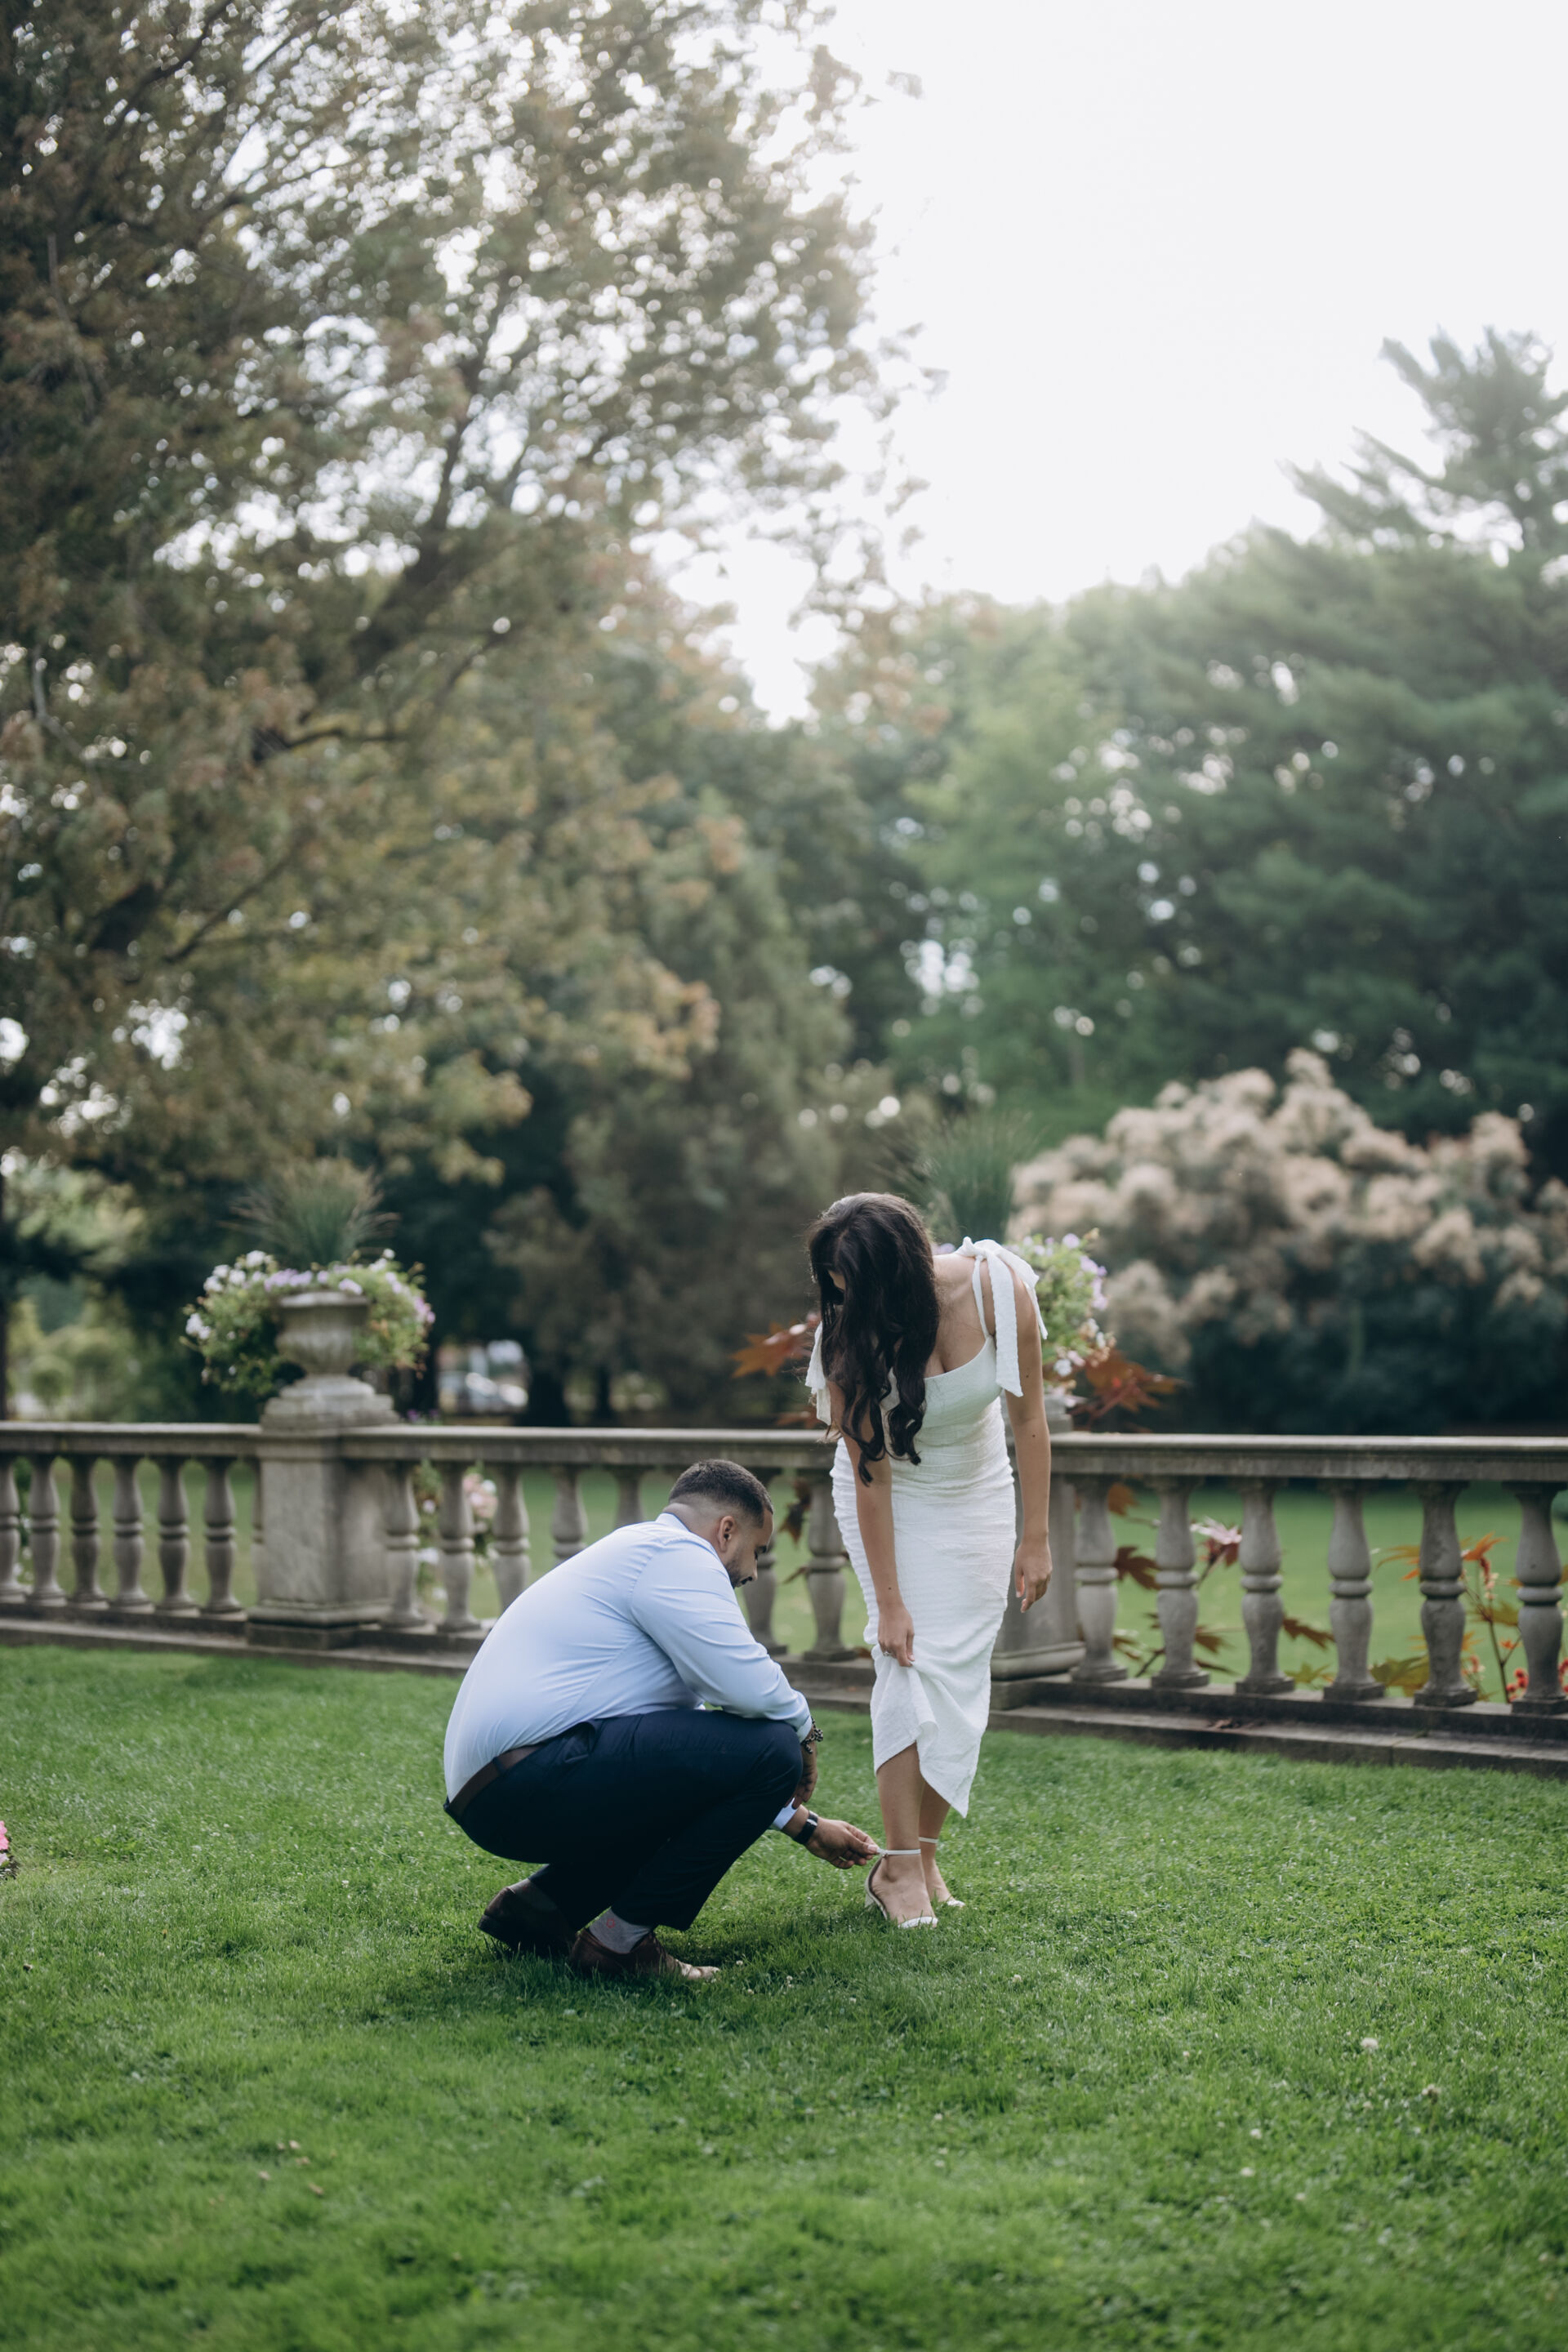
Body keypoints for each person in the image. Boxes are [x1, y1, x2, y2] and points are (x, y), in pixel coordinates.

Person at [442, 1458, 879, 1983]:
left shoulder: (640, 1553)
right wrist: (806, 1734)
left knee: (743, 1757)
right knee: (774, 1747)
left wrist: (804, 1826)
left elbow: (694, 1758)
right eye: (757, 1551)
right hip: (525, 1780)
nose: (753, 1572)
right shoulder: (677, 1554)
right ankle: (619, 1944)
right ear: (726, 1531)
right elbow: (746, 1683)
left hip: (498, 1789)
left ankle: (539, 1908)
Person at [805, 1195, 1053, 1927]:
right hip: (892, 1499)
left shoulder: (999, 1289)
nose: (842, 1301)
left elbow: (1030, 1419)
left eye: (853, 1286)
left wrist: (1035, 1537)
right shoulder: (847, 1337)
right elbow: (870, 1477)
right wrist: (890, 1603)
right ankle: (899, 1869)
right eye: (833, 1286)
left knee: (962, 1671)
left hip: (977, 1490)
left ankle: (926, 1852)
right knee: (907, 1663)